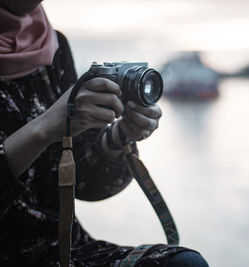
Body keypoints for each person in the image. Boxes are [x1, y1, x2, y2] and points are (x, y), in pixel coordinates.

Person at [0, 1, 208, 266]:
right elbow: (49, 128)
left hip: (64, 250)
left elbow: (84, 181)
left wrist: (116, 138)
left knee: (183, 263)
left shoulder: (52, 45)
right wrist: (45, 128)